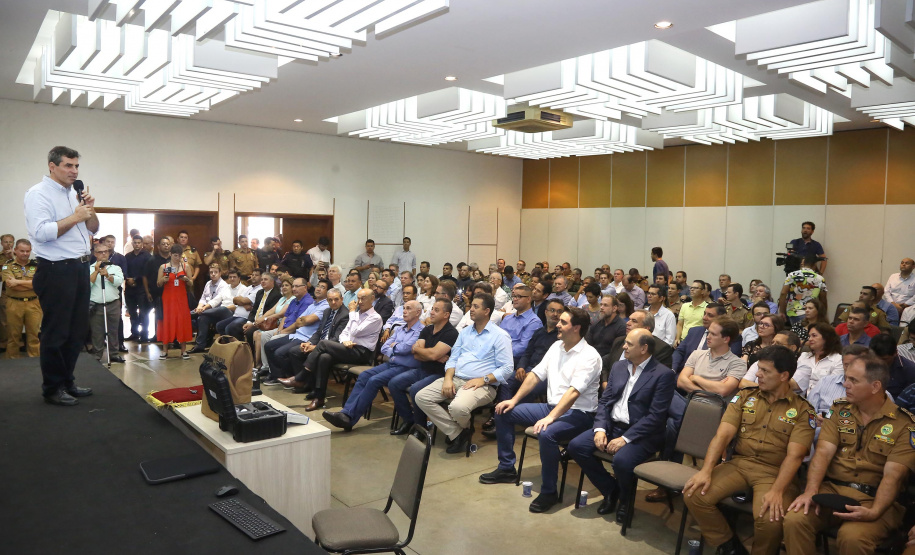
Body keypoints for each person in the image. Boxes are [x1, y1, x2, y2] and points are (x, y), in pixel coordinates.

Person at [684, 346, 815, 555]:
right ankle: (730, 546)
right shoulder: (745, 396)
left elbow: (795, 456)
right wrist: (706, 470)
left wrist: (777, 491)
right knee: (695, 494)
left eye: (765, 371)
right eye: (758, 369)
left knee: (770, 519)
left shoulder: (803, 410)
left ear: (784, 376)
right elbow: (722, 435)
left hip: (775, 473)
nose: (757, 374)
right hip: (739, 464)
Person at [783, 355, 915, 555]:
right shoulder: (840, 410)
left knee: (852, 538)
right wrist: (810, 490)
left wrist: (875, 511)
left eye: (853, 380)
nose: (845, 384)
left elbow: (893, 476)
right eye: (846, 378)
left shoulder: (904, 424)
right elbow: (823, 454)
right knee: (795, 519)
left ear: (875, 386)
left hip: (875, 499)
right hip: (833, 489)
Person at [479, 306, 601, 514]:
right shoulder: (556, 347)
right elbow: (534, 376)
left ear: (576, 328)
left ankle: (549, 492)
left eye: (563, 322)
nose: (557, 325)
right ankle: (507, 468)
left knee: (546, 433)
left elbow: (573, 393)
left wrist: (551, 418)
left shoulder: (590, 356)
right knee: (503, 411)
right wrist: (514, 400)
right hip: (551, 406)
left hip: (579, 413)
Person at [568, 328, 675, 523]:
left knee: (622, 462)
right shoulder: (619, 366)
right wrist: (600, 428)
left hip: (643, 434)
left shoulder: (663, 374)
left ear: (644, 348)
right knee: (577, 446)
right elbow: (605, 401)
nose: (623, 346)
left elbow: (656, 416)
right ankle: (611, 490)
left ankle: (626, 501)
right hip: (613, 426)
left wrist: (626, 439)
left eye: (629, 344)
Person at [25, 146, 99, 406]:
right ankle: (53, 388)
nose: (74, 171)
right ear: (52, 166)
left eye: (76, 166)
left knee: (76, 331)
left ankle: (67, 381)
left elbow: (94, 228)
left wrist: (89, 210)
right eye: (68, 165)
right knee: (56, 332)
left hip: (80, 267)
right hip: (56, 270)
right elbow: (41, 232)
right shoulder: (38, 194)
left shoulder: (74, 194)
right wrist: (75, 216)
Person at [647, 317, 746, 503]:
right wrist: (711, 385)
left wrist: (696, 378)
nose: (707, 336)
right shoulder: (696, 354)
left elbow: (724, 391)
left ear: (726, 339)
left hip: (714, 412)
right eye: (708, 332)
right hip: (689, 405)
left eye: (713, 334)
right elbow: (680, 381)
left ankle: (664, 476)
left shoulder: (737, 363)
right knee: (666, 395)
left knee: (671, 424)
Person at [415, 293, 514, 454]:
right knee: (421, 397)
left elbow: (507, 368)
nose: (471, 310)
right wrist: (448, 379)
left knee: (457, 407)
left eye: (476, 307)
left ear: (487, 311)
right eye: (471, 306)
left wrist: (484, 379)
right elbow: (452, 359)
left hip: (483, 385)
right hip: (456, 378)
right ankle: (459, 432)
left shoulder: (500, 336)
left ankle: (457, 432)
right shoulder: (465, 332)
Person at [323, 301, 425, 431]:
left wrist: (395, 347)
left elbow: (407, 348)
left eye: (408, 309)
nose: (404, 311)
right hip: (392, 363)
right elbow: (385, 347)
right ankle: (345, 412)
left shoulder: (421, 330)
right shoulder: (400, 328)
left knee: (374, 380)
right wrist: (395, 349)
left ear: (418, 312)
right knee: (365, 375)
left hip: (407, 368)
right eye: (404, 308)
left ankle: (349, 418)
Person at [297, 287, 383, 411]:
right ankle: (319, 397)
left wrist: (352, 312)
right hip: (348, 348)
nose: (360, 301)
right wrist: (344, 341)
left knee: (323, 344)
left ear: (372, 299)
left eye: (363, 298)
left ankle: (301, 376)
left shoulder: (375, 318)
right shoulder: (357, 315)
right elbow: (345, 332)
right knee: (324, 357)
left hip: (363, 353)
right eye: (358, 298)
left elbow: (355, 331)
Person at [388, 298, 459, 435]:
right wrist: (433, 354)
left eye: (436, 310)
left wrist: (429, 354)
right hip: (422, 369)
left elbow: (430, 354)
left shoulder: (451, 333)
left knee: (415, 390)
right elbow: (415, 353)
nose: (431, 312)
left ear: (446, 315)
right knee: (394, 384)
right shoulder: (427, 329)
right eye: (432, 309)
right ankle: (409, 420)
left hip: (439, 374)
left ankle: (421, 428)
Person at [263, 280, 330, 387]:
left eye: (322, 287)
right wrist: (302, 320)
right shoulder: (313, 304)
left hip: (306, 338)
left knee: (279, 353)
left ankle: (293, 378)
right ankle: (277, 376)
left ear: (327, 291)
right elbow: (299, 320)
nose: (318, 289)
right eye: (317, 286)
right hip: (296, 334)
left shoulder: (326, 305)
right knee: (268, 346)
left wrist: (303, 320)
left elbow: (307, 320)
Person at [673, 304, 742, 373]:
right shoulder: (694, 331)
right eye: (704, 314)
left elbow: (728, 362)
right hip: (684, 371)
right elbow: (679, 351)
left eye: (710, 315)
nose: (704, 318)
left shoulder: (732, 337)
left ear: (722, 318)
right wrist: (673, 369)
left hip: (712, 375)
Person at [2, 239, 41, 358]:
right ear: (15, 251)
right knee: (13, 336)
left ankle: (35, 361)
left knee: (34, 335)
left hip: (33, 304)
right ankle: (12, 362)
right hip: (14, 303)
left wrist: (17, 282)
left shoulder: (37, 265)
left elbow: (40, 285)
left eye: (27, 251)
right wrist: (31, 284)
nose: (25, 253)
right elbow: (10, 285)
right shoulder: (7, 266)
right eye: (22, 251)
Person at [88, 242, 125, 364]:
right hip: (96, 305)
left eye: (106, 251)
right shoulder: (89, 268)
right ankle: (97, 354)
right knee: (97, 330)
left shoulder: (115, 268)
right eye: (100, 252)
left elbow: (119, 281)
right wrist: (96, 271)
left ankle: (114, 353)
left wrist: (108, 275)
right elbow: (87, 284)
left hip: (113, 304)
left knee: (113, 330)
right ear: (95, 254)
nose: (103, 254)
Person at [156, 244, 193, 360]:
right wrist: (163, 279)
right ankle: (165, 350)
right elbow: (158, 283)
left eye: (179, 255)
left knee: (182, 321)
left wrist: (186, 279)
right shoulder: (164, 266)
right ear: (171, 254)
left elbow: (191, 283)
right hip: (168, 298)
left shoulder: (186, 266)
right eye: (175, 255)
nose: (177, 258)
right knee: (167, 320)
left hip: (181, 297)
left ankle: (183, 350)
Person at [188, 264, 234, 353]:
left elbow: (217, 301)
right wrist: (199, 307)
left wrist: (203, 309)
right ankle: (200, 346)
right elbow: (203, 298)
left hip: (219, 311)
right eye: (211, 272)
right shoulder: (208, 283)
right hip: (207, 311)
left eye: (215, 272)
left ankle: (194, 313)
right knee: (202, 318)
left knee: (200, 314)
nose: (213, 274)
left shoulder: (223, 285)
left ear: (220, 273)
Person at [794, 322, 844, 395]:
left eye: (814, 336)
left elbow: (832, 387)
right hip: (798, 399)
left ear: (826, 338)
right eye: (809, 336)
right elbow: (795, 380)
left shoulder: (838, 360)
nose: (810, 339)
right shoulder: (804, 356)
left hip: (822, 400)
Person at [779, 254, 828, 325]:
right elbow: (823, 298)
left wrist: (782, 311)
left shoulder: (792, 275)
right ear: (814, 264)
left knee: (796, 333)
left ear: (802, 264)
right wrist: (823, 314)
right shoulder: (820, 278)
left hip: (794, 311)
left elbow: (783, 293)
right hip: (812, 312)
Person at [240, 271, 282, 350]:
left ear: (272, 281)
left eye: (265, 279)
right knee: (236, 327)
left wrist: (253, 324)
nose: (262, 281)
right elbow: (254, 309)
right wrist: (249, 322)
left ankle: (253, 356)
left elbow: (269, 315)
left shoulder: (276, 295)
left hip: (266, 323)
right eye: (262, 279)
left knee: (249, 332)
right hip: (255, 321)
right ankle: (243, 354)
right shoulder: (260, 292)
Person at [124, 234, 151, 342]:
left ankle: (144, 335)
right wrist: (128, 279)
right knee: (132, 312)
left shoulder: (147, 256)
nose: (137, 245)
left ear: (142, 244)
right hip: (130, 288)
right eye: (135, 242)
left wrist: (135, 279)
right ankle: (134, 333)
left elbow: (147, 272)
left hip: (142, 288)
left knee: (143, 313)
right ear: (132, 243)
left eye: (139, 243)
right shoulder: (127, 256)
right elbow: (124, 270)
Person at [870, 333, 915, 399]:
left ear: (895, 353)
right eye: (875, 358)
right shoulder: (864, 363)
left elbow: (910, 398)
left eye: (884, 359)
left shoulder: (910, 369)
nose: (878, 362)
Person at [143, 237, 171, 341]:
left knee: (171, 315)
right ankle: (158, 335)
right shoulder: (152, 260)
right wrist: (147, 292)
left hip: (172, 292)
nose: (166, 246)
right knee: (159, 315)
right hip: (157, 292)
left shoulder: (173, 259)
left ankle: (171, 336)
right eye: (163, 244)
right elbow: (145, 276)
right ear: (158, 246)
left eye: (168, 244)